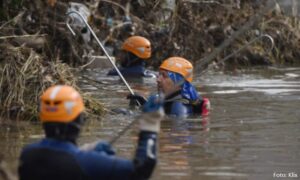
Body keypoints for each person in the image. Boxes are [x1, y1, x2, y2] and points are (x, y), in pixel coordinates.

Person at [18, 85, 164, 180]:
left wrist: (86, 150)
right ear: (79, 120)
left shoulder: (28, 154)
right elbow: (141, 170)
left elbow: (59, 159)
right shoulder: (88, 163)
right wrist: (150, 125)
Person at [128, 57, 210, 118]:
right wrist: (144, 103)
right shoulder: (177, 98)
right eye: (159, 74)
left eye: (164, 76)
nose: (158, 79)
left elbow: (178, 134)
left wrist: (130, 115)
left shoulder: (179, 108)